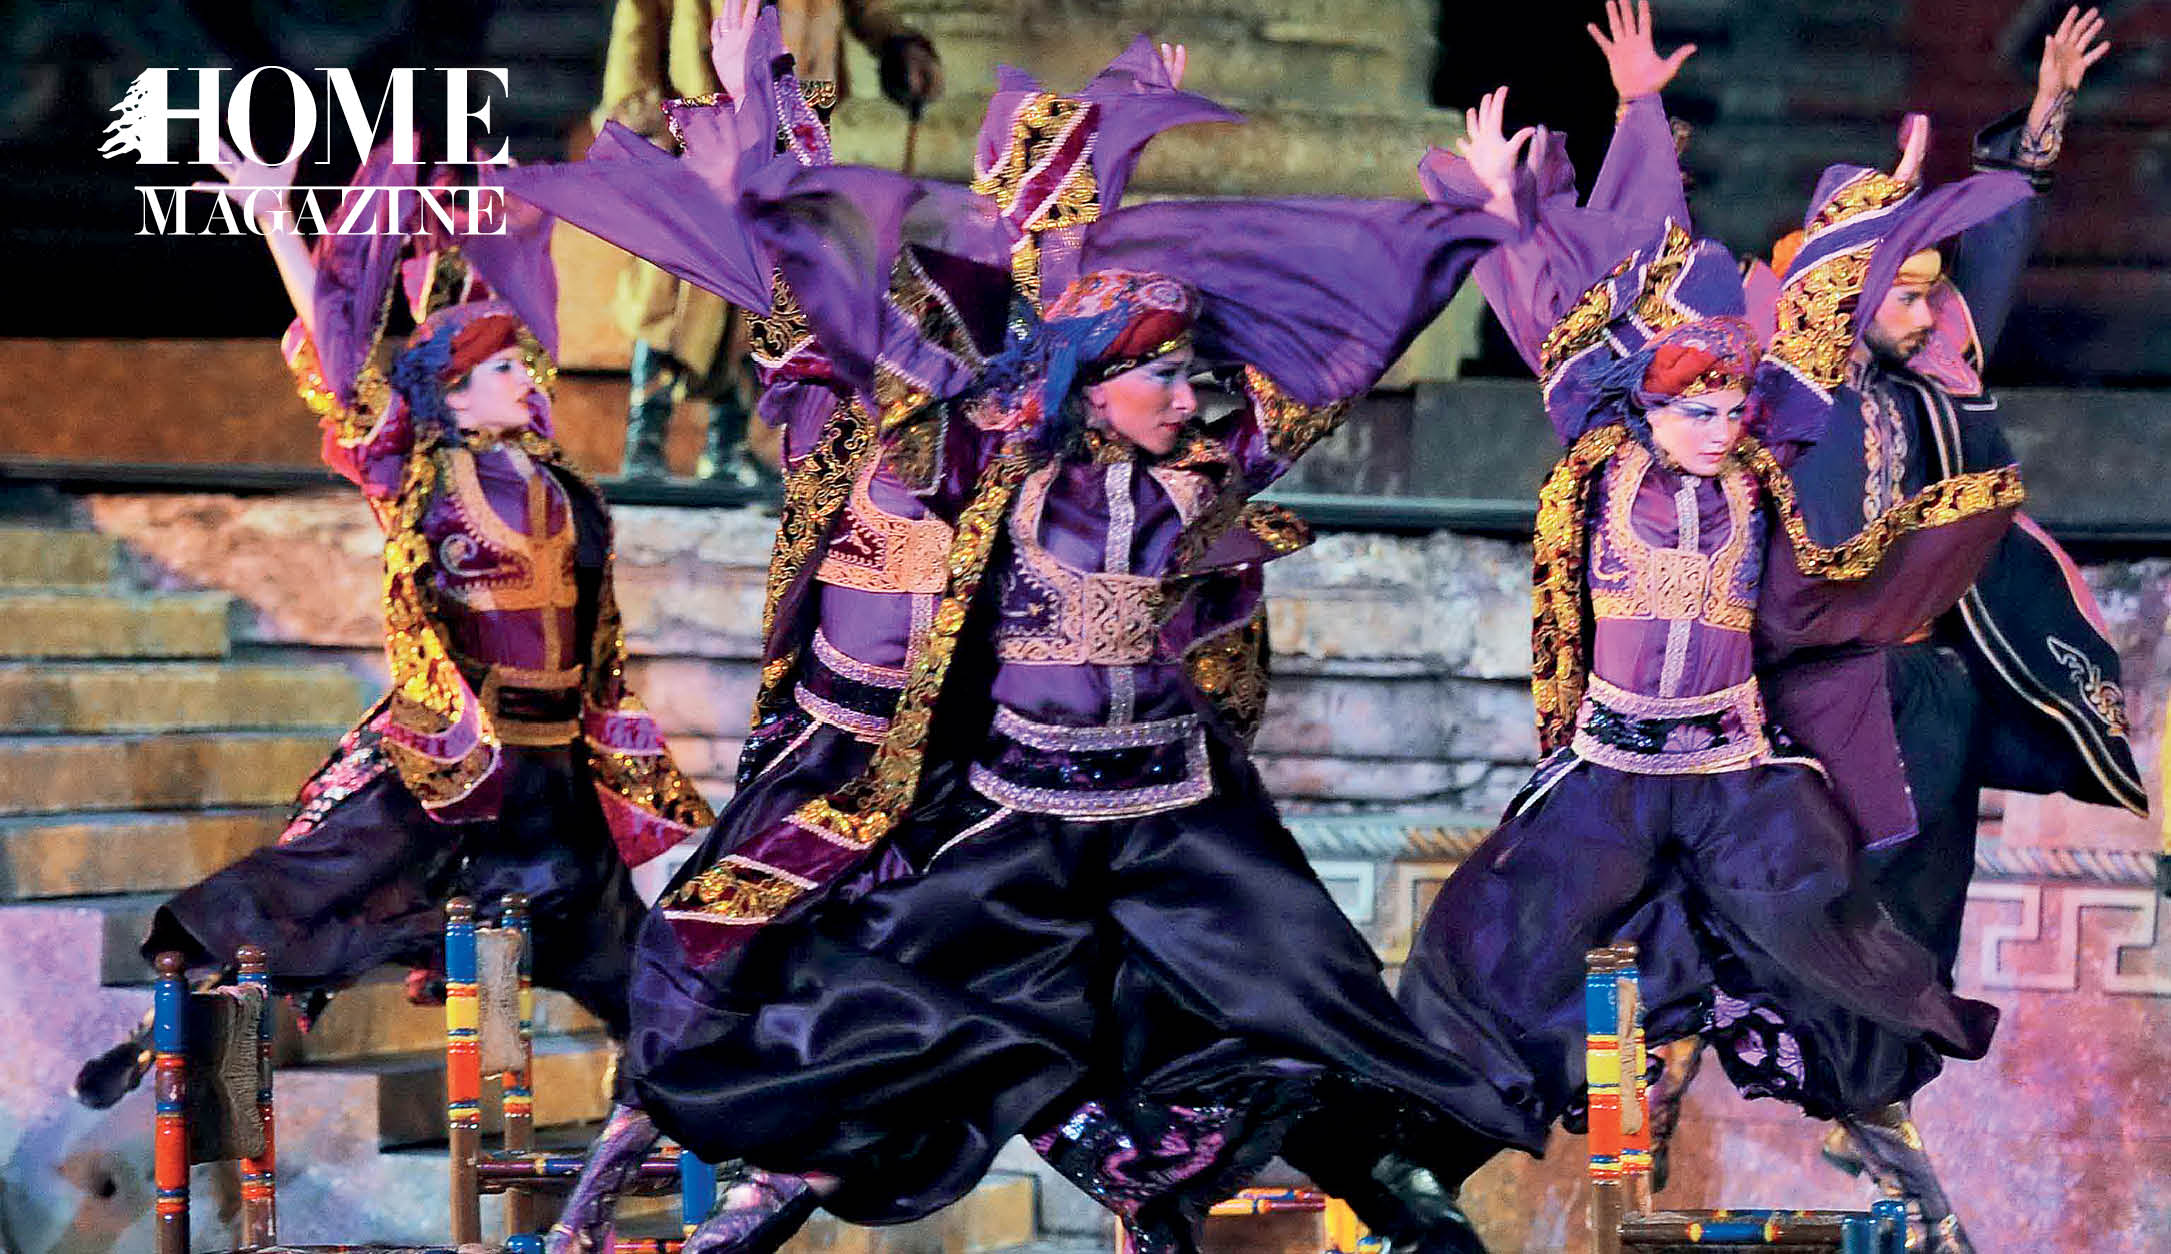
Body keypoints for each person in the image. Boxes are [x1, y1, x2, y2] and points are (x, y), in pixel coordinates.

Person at [511, 22, 1552, 1244]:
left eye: (1189, 373)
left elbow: (1336, 358)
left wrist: (1469, 227)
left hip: (1179, 822)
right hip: (1016, 820)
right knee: (889, 1015)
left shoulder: (1204, 469)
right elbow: (873, 333)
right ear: (1088, 383)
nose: (1187, 394)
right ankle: (743, 1187)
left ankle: (1398, 1200)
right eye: (1158, 375)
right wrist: (770, 174)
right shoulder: (989, 461)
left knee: (1310, 1010)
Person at [1396, 14, 2038, 1247]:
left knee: (1832, 947)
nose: (1718, 421)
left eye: (1732, 402)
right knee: (1489, 949)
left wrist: (1877, 213)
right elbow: (1556, 291)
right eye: (1693, 405)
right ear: (1643, 407)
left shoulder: (1762, 473)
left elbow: (1821, 317)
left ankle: (1898, 1167)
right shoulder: (1596, 463)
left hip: (1735, 773)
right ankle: (1418, 1171)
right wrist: (1517, 193)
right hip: (1609, 774)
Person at [71, 144, 713, 1110]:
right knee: (327, 890)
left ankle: (658, 1120)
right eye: (504, 368)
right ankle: (185, 1020)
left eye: (525, 364)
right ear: (452, 395)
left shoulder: (558, 482)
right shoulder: (421, 475)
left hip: (555, 769)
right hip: (451, 756)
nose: (529, 380)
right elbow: (340, 364)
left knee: (607, 943)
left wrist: (490, 223)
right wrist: (280, 224)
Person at [1773, 11, 2143, 1235]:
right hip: (1821, 685)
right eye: (1905, 289)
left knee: (1926, 897)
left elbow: (1992, 242)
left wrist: (2041, 116)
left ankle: (1872, 1100)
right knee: (1833, 893)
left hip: (1930, 681)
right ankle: (1828, 1076)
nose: (1929, 310)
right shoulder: (1798, 396)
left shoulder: (1937, 366)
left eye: (1934, 290)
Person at [596, 0, 942, 482]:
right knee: (670, 290)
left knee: (763, 291)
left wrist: (898, 44)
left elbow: (865, 7)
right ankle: (646, 437)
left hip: (791, 119)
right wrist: (636, 110)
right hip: (699, 124)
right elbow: (638, 25)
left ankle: (728, 445)